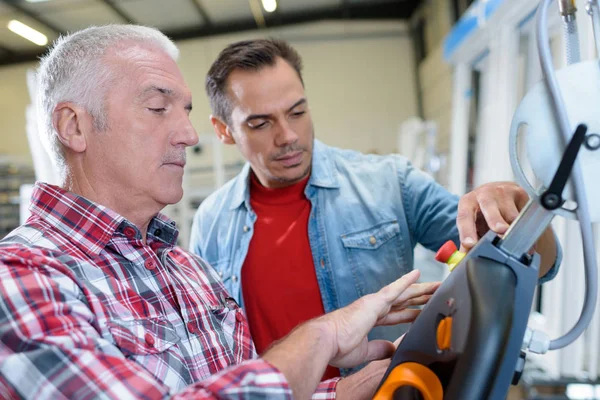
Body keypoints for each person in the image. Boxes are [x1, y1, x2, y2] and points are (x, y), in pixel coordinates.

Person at [0, 25, 439, 399]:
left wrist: (342, 391)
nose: (189, 135)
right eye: (157, 109)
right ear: (74, 126)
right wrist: (319, 338)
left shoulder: (188, 271)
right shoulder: (21, 279)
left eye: (186, 111)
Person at [189, 38, 560, 378]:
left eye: (297, 112)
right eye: (260, 123)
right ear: (223, 130)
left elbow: (536, 265)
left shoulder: (389, 183)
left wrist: (522, 209)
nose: (287, 136)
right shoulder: (212, 221)